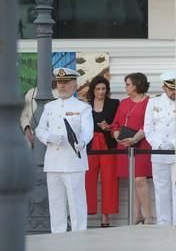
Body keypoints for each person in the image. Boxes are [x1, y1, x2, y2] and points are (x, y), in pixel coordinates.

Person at [34, 68, 93, 233]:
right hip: (53, 161)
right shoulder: (50, 107)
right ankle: (58, 236)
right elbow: (39, 129)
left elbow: (88, 130)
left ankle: (79, 234)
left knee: (76, 202)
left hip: (73, 160)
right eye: (59, 82)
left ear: (74, 85)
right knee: (56, 202)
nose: (61, 86)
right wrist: (48, 137)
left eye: (66, 82)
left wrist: (82, 142)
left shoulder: (83, 107)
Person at [112, 72, 153, 224]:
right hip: (124, 145)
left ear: (136, 85)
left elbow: (149, 124)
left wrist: (135, 138)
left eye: (128, 84)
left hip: (141, 144)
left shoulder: (149, 102)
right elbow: (116, 123)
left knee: (140, 180)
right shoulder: (123, 102)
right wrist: (117, 136)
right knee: (132, 180)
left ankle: (148, 216)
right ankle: (137, 215)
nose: (126, 87)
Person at [144, 71, 176, 226]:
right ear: (163, 87)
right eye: (170, 89)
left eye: (175, 89)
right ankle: (163, 223)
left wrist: (173, 143)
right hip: (159, 152)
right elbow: (148, 127)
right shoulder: (154, 103)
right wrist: (159, 144)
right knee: (161, 190)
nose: (173, 92)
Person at [85, 76, 120, 228]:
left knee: (109, 180)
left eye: (104, 89)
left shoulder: (114, 104)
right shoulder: (86, 106)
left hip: (108, 145)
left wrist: (109, 127)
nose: (101, 92)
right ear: (93, 90)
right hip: (90, 146)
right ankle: (87, 212)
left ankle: (105, 219)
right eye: (98, 89)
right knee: (88, 181)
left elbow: (118, 124)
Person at [20, 81, 58, 148]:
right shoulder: (31, 93)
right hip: (32, 140)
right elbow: (24, 116)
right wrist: (27, 129)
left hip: (53, 142)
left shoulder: (60, 94)